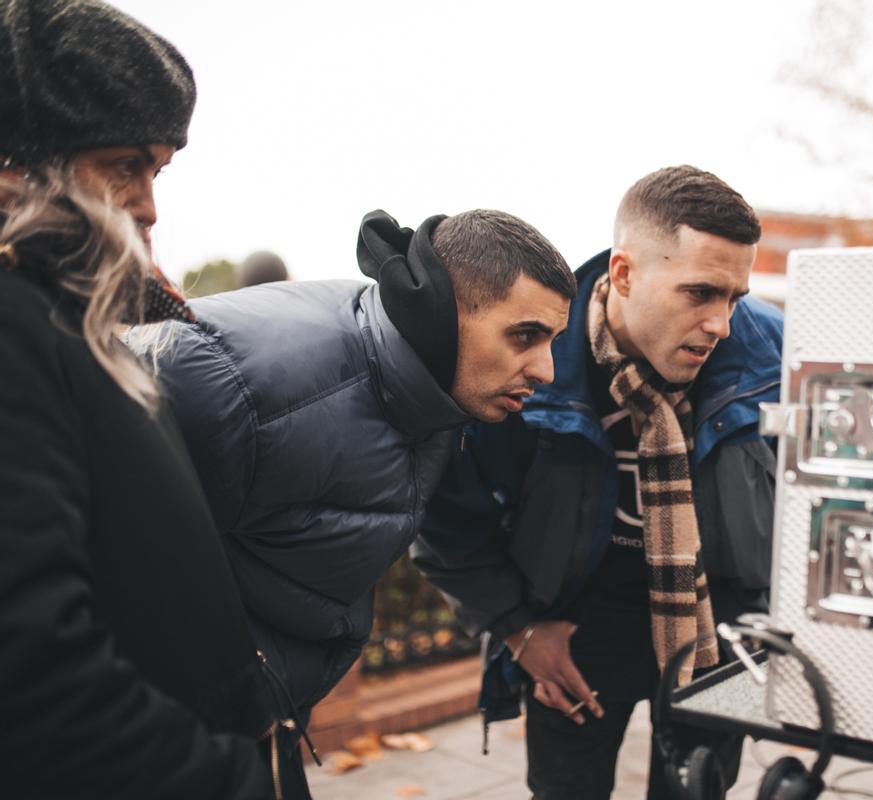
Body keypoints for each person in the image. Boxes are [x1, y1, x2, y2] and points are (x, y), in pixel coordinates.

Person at [141, 205, 576, 791]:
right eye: (525, 335)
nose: (546, 369)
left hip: (258, 719)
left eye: (553, 341)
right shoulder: (236, 382)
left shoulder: (437, 390)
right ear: (443, 313)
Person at [0, 0, 293, 796]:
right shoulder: (14, 326)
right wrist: (225, 777)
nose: (149, 205)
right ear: (17, 166)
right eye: (124, 164)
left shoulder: (63, 314)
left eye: (157, 170)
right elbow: (30, 668)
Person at [414, 165, 783, 798]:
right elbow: (446, 517)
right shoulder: (527, 355)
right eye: (699, 293)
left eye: (734, 298)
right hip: (575, 627)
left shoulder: (774, 352)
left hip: (722, 629)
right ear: (623, 274)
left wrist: (765, 629)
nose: (720, 323)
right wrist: (518, 627)